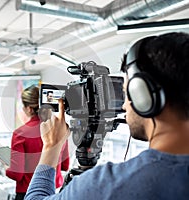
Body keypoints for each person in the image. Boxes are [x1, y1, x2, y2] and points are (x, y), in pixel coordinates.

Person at [25, 32, 189, 200]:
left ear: (144, 96)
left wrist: (51, 146)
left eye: (126, 93)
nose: (124, 106)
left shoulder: (105, 187)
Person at [6, 85, 69, 200]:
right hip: (56, 192)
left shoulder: (20, 134)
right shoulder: (58, 129)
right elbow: (65, 166)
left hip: (29, 193)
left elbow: (17, 174)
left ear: (29, 108)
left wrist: (5, 166)